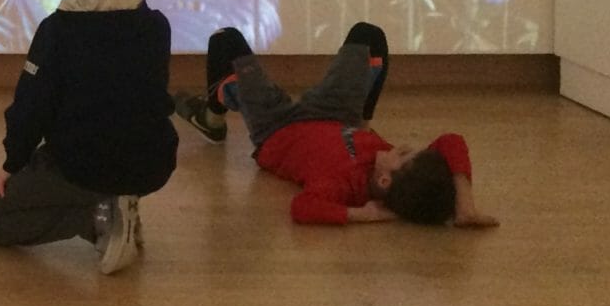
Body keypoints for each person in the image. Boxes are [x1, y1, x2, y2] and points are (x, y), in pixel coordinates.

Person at [0, 0, 177, 275]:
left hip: (83, 165)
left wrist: (12, 163)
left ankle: (99, 217)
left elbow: (32, 106)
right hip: (153, 162)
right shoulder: (156, 27)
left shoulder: (59, 30)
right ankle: (120, 206)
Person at [175, 22, 498, 227]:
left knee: (226, 40)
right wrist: (465, 205)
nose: (399, 147)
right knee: (367, 35)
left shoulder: (342, 185)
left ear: (384, 181)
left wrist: (362, 215)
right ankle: (363, 119)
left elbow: (303, 208)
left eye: (403, 154)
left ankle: (210, 119)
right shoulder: (384, 163)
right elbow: (451, 141)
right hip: (335, 114)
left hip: (276, 128)